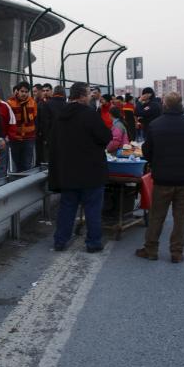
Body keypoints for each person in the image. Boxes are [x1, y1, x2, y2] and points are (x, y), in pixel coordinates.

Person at [135, 93, 184, 263]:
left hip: (162, 180)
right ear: (181, 105)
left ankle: (150, 249)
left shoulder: (155, 125)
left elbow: (147, 151)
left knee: (156, 216)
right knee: (180, 218)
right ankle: (177, 253)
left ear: (164, 105)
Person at [48, 82, 112, 253]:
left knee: (67, 208)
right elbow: (106, 137)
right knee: (92, 209)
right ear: (83, 96)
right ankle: (93, 243)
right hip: (91, 171)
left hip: (67, 172)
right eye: (89, 93)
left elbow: (53, 143)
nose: (91, 96)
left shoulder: (60, 116)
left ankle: (60, 241)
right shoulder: (90, 115)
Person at [7, 81, 37, 172]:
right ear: (17, 91)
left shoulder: (32, 102)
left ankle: (25, 183)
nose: (24, 93)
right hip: (15, 138)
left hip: (29, 137)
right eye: (22, 91)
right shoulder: (10, 103)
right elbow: (8, 121)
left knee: (27, 163)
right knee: (17, 163)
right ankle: (19, 183)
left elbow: (35, 117)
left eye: (26, 91)